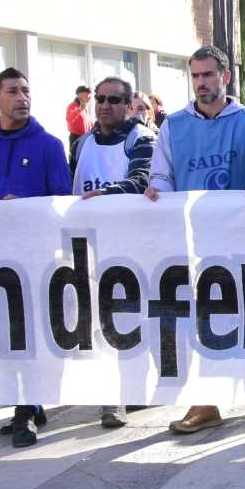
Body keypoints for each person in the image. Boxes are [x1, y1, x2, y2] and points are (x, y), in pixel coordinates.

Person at [147, 44, 245, 435]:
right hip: (193, 241)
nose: (200, 83)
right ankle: (206, 402)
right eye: (195, 76)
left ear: (225, 77)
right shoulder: (173, 125)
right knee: (204, 320)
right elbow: (162, 175)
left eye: (207, 75)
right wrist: (156, 191)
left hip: (241, 239)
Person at [0, 68, 71, 447]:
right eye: (13, 91)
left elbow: (62, 203)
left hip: (34, 255)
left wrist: (25, 209)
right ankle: (27, 402)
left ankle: (26, 410)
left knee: (31, 332)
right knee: (5, 334)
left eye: (26, 90)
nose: (22, 97)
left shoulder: (50, 146)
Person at [72, 75, 155, 428]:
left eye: (114, 100)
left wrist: (108, 195)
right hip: (92, 245)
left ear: (127, 105)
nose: (105, 105)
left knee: (130, 319)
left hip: (133, 244)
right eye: (100, 99)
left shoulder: (141, 139)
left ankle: (129, 391)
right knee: (101, 322)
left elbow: (141, 179)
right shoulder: (82, 143)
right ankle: (113, 393)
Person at [64, 84, 91, 160]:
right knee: (76, 162)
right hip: (76, 139)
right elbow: (69, 119)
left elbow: (89, 125)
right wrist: (79, 110)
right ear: (80, 95)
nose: (90, 97)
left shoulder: (85, 109)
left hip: (85, 139)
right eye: (88, 95)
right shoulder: (72, 106)